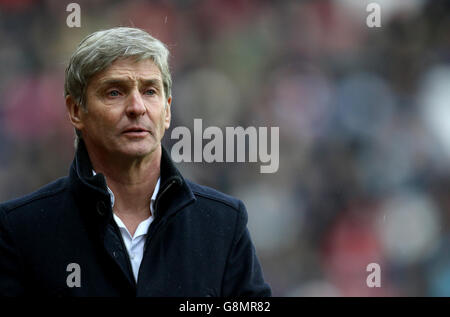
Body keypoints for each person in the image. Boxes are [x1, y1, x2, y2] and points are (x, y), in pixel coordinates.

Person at [0, 27, 271, 297]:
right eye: (114, 92)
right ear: (75, 111)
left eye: (150, 91)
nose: (137, 107)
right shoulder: (20, 229)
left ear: (167, 111)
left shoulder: (223, 223)